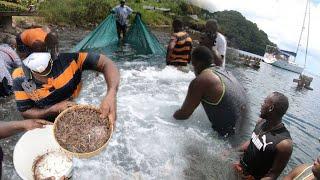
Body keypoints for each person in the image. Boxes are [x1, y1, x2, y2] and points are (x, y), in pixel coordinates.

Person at [12, 34, 120, 126]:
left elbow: (106, 63)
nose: (34, 57)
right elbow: (25, 111)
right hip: (46, 126)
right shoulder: (19, 77)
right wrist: (53, 109)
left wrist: (111, 93)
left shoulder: (70, 60)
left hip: (73, 117)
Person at [173, 46, 247, 137]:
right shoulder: (225, 73)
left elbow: (183, 115)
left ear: (198, 64)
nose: (193, 70)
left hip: (225, 141)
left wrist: (166, 118)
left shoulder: (201, 80)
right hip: (241, 134)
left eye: (193, 64)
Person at [235, 92, 293, 179]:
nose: (261, 104)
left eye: (265, 102)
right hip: (239, 168)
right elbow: (253, 141)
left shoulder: (284, 144)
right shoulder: (261, 122)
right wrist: (232, 152)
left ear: (271, 108)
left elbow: (273, 175)